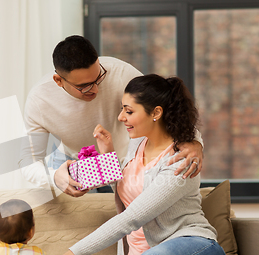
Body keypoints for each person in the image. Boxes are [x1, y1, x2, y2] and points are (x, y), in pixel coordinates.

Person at [52, 74, 226, 255]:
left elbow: (132, 217)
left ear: (156, 113)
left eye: (128, 111)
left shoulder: (180, 161)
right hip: (151, 254)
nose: (120, 117)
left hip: (196, 246)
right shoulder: (138, 145)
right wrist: (105, 157)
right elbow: (129, 191)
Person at [20, 35, 204, 197]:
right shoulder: (39, 101)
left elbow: (165, 105)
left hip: (125, 158)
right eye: (84, 86)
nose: (95, 89)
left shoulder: (121, 72)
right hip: (79, 163)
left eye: (99, 77)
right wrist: (53, 177)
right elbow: (27, 161)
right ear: (59, 81)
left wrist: (194, 141)